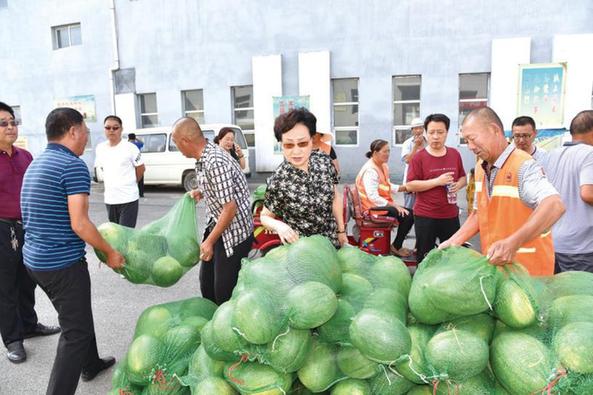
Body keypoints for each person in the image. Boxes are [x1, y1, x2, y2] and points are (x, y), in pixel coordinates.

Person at [20, 108, 125, 395]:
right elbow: (80, 223)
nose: (87, 139)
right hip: (61, 264)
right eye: (86, 132)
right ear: (73, 131)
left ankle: (90, 363)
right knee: (75, 332)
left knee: (76, 314)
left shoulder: (37, 163)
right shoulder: (72, 166)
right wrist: (110, 252)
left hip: (35, 260)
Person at [440, 107, 565, 275]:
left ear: (494, 130)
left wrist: (512, 243)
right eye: (466, 140)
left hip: (529, 273)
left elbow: (554, 205)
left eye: (472, 138)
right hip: (497, 270)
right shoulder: (480, 168)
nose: (469, 146)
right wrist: (454, 241)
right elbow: (479, 214)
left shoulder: (523, 165)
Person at [0, 102, 60, 364]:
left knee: (28, 280)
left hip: (28, 227)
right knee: (6, 287)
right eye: (3, 123)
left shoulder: (25, 156)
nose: (11, 127)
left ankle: (29, 324)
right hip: (2, 229)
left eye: (13, 122)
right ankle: (13, 339)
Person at [171, 117, 253, 305]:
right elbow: (223, 187)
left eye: (176, 143)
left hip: (234, 234)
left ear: (185, 141)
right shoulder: (204, 157)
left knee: (223, 293)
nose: (177, 147)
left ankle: (228, 330)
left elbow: (229, 209)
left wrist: (208, 242)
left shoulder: (214, 161)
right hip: (217, 226)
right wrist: (202, 191)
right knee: (207, 285)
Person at [260, 108, 348, 247]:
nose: (296, 151)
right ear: (281, 145)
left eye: (302, 143)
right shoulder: (279, 179)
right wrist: (280, 226)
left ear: (312, 140)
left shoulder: (323, 161)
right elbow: (265, 216)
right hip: (301, 252)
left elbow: (335, 197)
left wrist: (341, 230)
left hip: (331, 242)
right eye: (289, 145)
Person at [405, 113, 467, 263]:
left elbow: (463, 178)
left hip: (450, 215)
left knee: (452, 257)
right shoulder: (419, 157)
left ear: (447, 132)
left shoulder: (454, 154)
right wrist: (437, 181)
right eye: (431, 132)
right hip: (425, 216)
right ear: (426, 133)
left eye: (440, 132)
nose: (435, 136)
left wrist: (458, 185)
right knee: (425, 258)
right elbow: (410, 185)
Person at [541, 110, 593, 272]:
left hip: (553, 243)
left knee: (558, 295)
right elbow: (587, 194)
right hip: (581, 248)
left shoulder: (551, 156)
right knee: (580, 296)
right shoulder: (589, 154)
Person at [355, 139, 414, 257]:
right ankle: (396, 247)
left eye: (389, 151)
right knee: (407, 215)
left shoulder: (382, 166)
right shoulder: (370, 170)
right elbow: (373, 196)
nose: (388, 154)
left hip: (378, 205)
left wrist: (404, 188)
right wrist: (395, 206)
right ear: (375, 153)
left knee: (409, 213)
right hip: (371, 208)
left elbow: (386, 185)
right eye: (385, 151)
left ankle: (396, 245)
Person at [95, 115, 145, 228]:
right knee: (115, 235)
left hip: (128, 198)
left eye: (115, 127)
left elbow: (141, 168)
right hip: (110, 199)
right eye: (108, 128)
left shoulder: (130, 147)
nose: (111, 130)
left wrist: (132, 182)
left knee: (126, 235)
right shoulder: (100, 148)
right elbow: (102, 168)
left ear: (121, 129)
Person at [401, 117, 427, 210]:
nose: (419, 130)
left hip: (426, 182)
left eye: (421, 128)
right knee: (409, 211)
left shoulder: (429, 142)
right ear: (412, 130)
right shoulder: (407, 143)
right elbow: (407, 160)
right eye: (416, 128)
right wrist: (416, 146)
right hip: (411, 182)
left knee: (424, 211)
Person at [127, 133, 145, 198]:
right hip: (138, 163)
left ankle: (131, 194)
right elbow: (142, 143)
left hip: (130, 164)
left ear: (128, 138)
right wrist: (136, 139)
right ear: (134, 138)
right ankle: (141, 193)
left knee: (131, 180)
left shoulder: (127, 145)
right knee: (140, 180)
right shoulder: (138, 144)